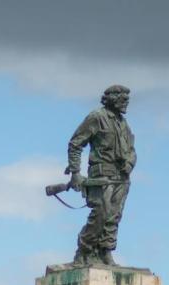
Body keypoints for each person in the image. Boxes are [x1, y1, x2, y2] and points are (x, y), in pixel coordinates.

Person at [64, 84, 135, 266]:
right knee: (101, 213)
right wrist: (75, 173)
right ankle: (84, 249)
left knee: (114, 216)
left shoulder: (123, 124)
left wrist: (129, 163)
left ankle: (105, 251)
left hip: (121, 177)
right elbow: (76, 144)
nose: (126, 102)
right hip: (101, 176)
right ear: (111, 98)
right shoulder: (97, 117)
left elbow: (132, 150)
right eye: (122, 99)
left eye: (127, 99)